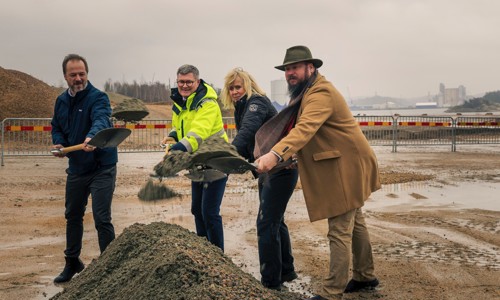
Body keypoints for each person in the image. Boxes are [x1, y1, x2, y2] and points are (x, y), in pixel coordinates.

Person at [255, 45, 381, 300]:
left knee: (339, 229)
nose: (290, 73)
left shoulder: (320, 92)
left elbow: (305, 128)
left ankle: (332, 291)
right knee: (355, 222)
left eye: (295, 68)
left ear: (310, 68)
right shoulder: (306, 92)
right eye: (287, 69)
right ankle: (365, 276)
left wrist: (275, 154)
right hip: (345, 164)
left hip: (346, 167)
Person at [220, 68, 298, 290]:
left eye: (238, 87)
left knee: (266, 223)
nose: (235, 91)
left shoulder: (256, 102)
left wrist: (226, 155)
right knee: (275, 220)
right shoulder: (242, 106)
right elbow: (248, 144)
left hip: (282, 168)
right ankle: (287, 270)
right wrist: (231, 161)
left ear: (248, 85)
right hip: (269, 169)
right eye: (231, 88)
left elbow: (247, 131)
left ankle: (271, 283)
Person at [51, 54, 118, 283]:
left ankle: (110, 266)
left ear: (87, 74)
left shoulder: (98, 97)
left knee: (101, 218)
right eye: (73, 75)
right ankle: (72, 262)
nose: (78, 78)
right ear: (65, 77)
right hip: (77, 166)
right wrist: (59, 143)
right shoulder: (61, 101)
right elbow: (57, 126)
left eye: (82, 74)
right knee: (73, 215)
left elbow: (101, 119)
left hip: (102, 166)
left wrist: (93, 136)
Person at [162, 64, 229, 251]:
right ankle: (204, 252)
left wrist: (178, 149)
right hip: (197, 163)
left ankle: (218, 257)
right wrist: (173, 136)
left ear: (197, 82)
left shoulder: (207, 104)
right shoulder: (180, 102)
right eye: (181, 82)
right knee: (197, 210)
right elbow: (179, 127)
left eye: (189, 82)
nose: (184, 85)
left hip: (216, 160)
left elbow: (198, 133)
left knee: (209, 212)